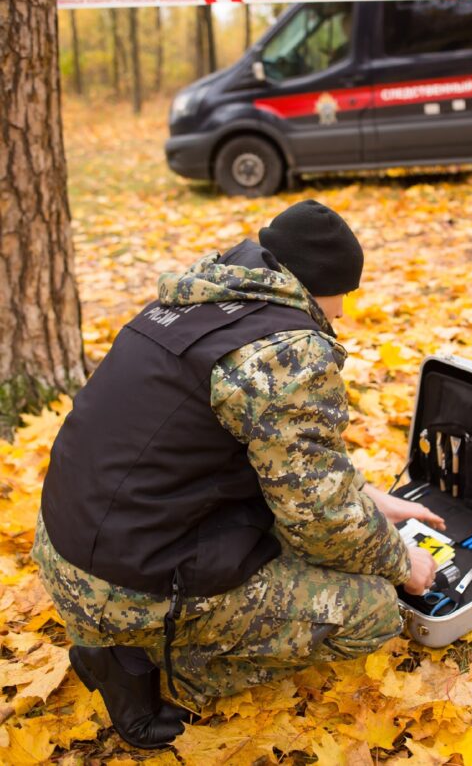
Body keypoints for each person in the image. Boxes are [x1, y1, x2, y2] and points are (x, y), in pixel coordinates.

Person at [32, 199, 440, 750]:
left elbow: (269, 457)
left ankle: (123, 636)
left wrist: (365, 497)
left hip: (71, 545)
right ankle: (154, 663)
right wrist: (400, 561)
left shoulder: (197, 303)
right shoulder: (284, 351)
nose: (342, 311)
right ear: (320, 285)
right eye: (344, 294)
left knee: (310, 539)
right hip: (126, 581)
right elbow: (320, 521)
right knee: (372, 611)